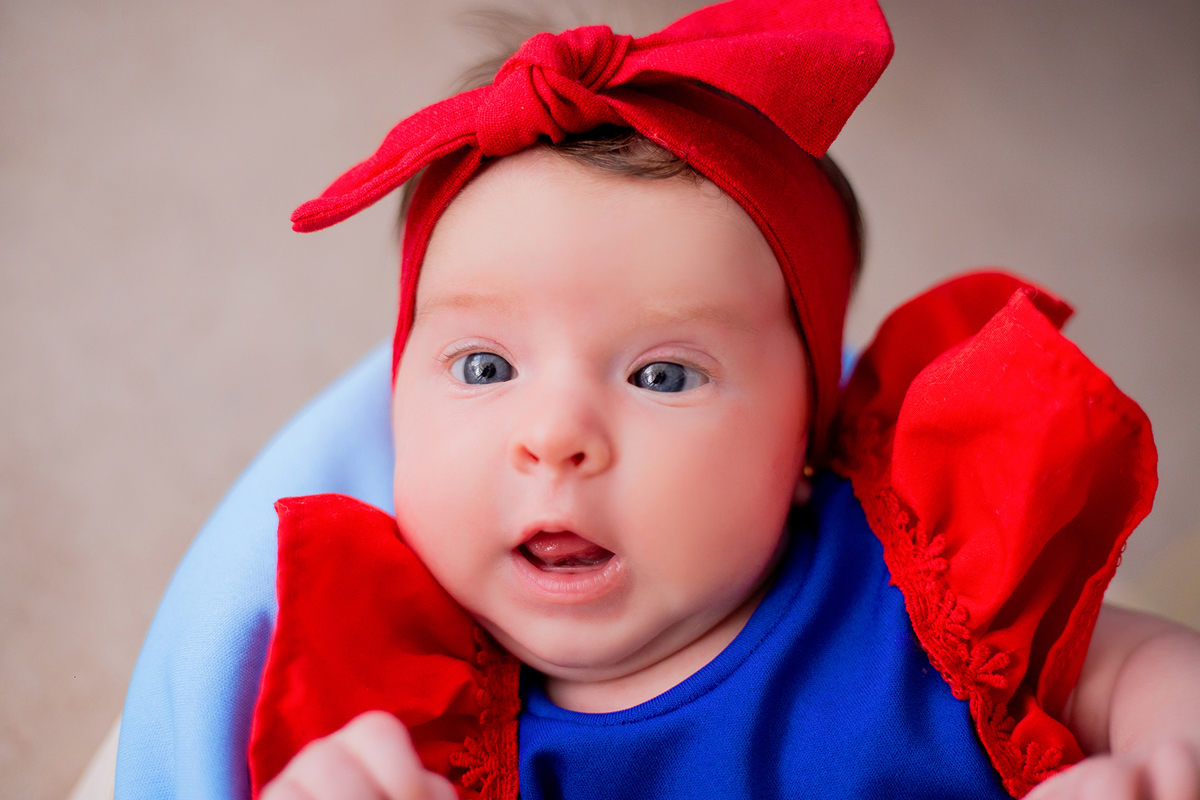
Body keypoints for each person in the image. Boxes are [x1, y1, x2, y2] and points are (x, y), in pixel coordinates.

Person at [184, 2, 1200, 798]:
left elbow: (1139, 666)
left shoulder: (924, 585)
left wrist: (1164, 754)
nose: (554, 436)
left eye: (662, 374)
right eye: (486, 368)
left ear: (807, 440)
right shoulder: (425, 738)